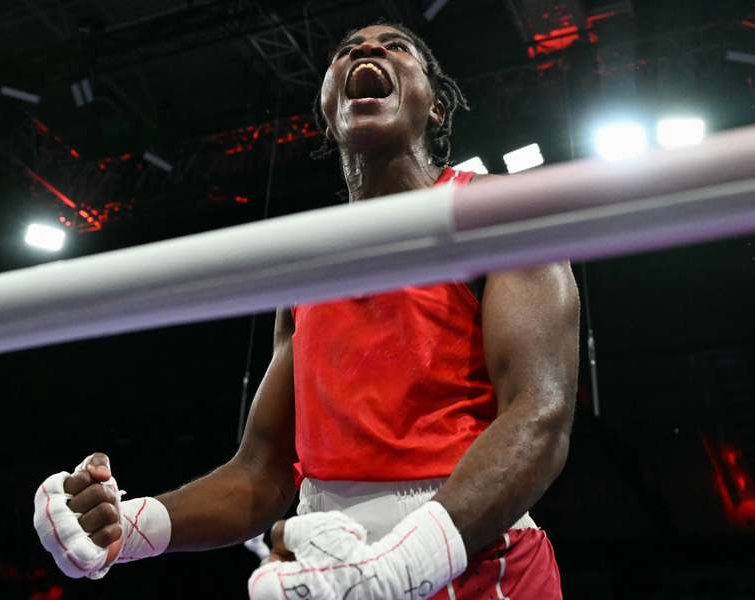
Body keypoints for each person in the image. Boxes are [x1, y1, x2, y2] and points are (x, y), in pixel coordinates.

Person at [33, 22, 580, 599]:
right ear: (328, 109)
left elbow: (538, 416)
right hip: (327, 565)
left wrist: (402, 564)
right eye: (346, 51)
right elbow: (262, 473)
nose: (366, 51)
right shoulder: (304, 269)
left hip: (474, 561)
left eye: (396, 47)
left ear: (437, 105)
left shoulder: (502, 211)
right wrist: (130, 527)